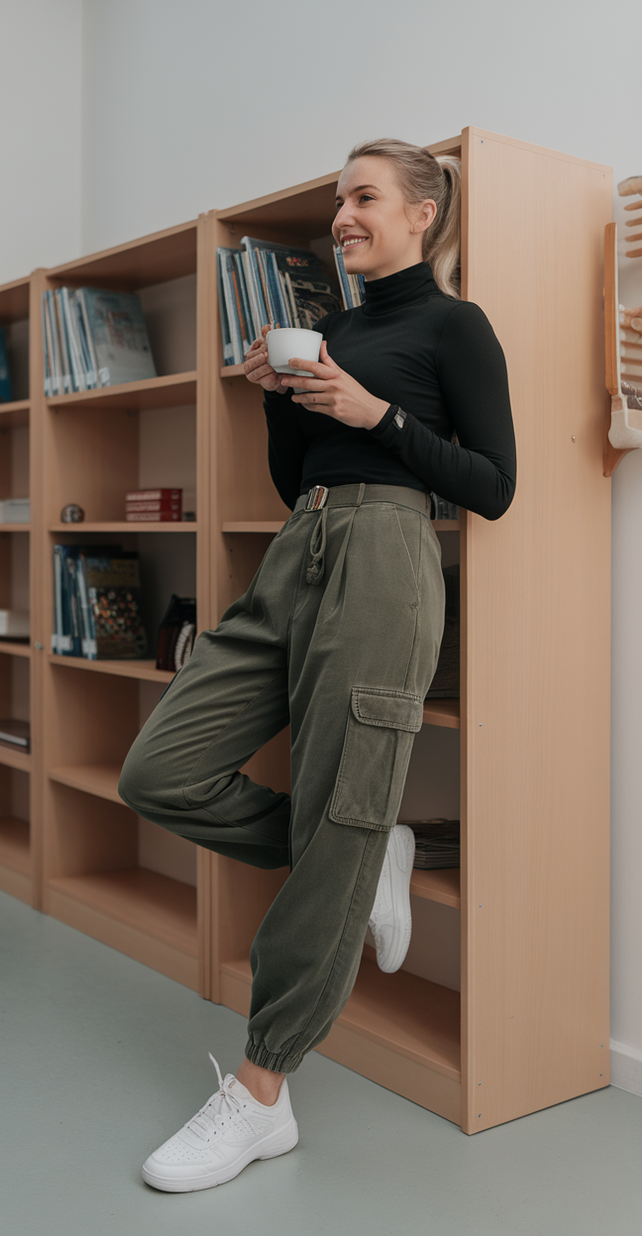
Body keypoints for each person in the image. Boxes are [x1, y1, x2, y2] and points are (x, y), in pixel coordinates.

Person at [119, 137, 517, 1192]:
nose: (342, 215)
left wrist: (377, 414)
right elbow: (297, 476)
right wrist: (272, 394)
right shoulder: (332, 329)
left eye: (361, 197)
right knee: (157, 769)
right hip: (300, 547)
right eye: (339, 199)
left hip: (389, 556)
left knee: (333, 824)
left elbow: (492, 484)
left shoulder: (453, 327)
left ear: (419, 213)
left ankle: (260, 1094)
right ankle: (364, 847)